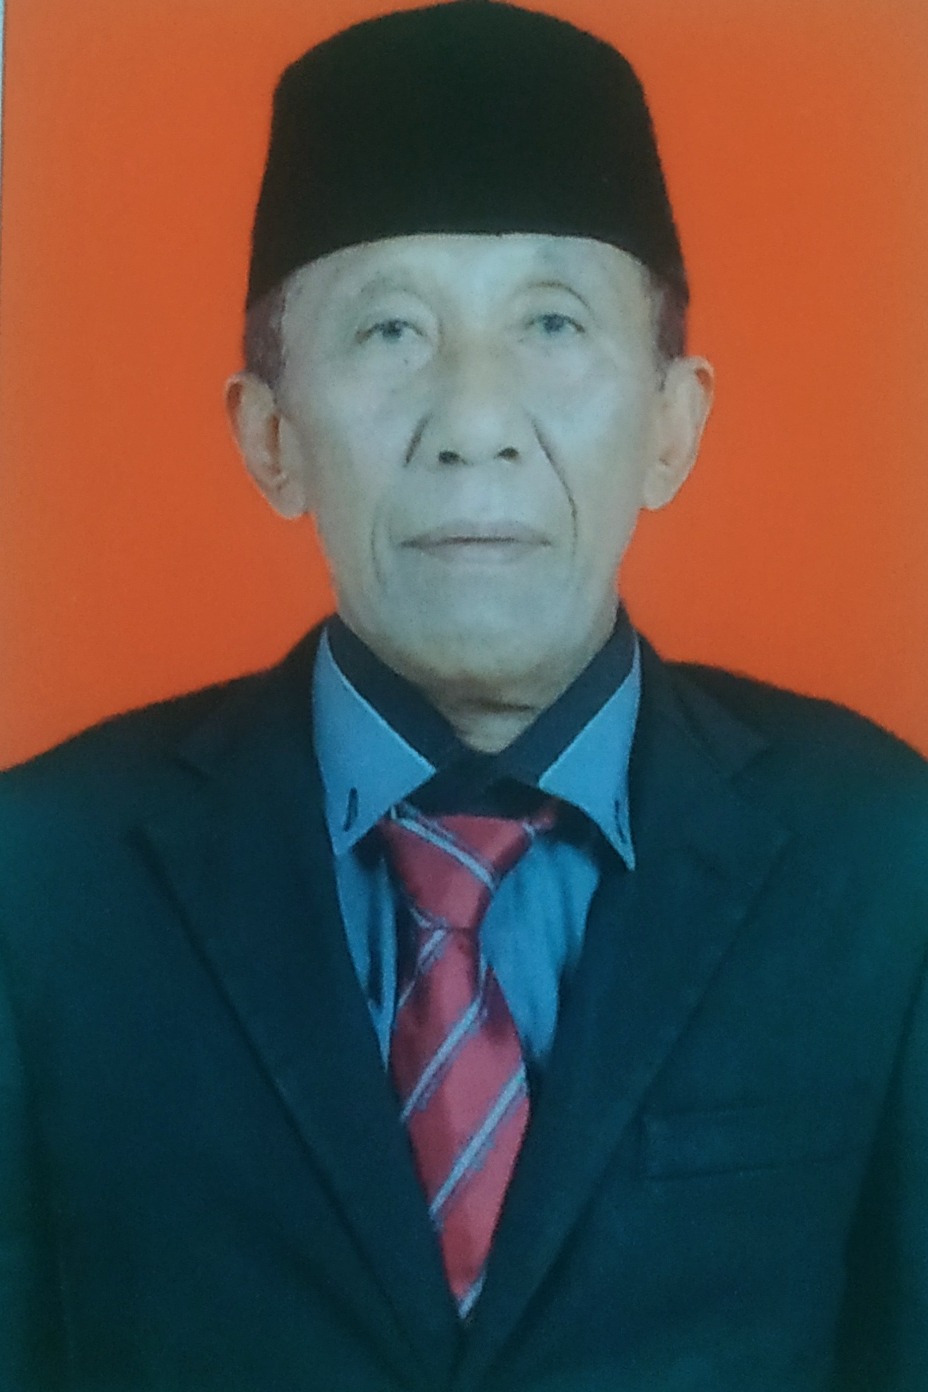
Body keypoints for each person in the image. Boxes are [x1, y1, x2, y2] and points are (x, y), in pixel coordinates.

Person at [1, 3, 925, 1389]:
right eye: (390, 330)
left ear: (673, 424)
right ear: (271, 435)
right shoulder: (43, 879)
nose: (474, 422)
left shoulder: (887, 857)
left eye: (552, 322)